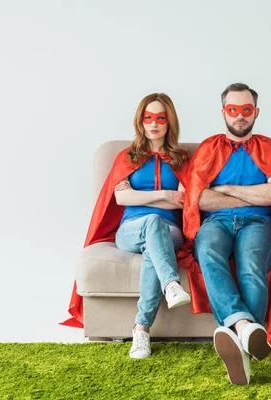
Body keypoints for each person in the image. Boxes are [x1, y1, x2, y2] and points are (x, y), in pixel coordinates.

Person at [178, 83, 271, 385]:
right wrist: (254, 195)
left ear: (256, 112)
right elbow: (200, 199)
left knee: (252, 266)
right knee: (207, 252)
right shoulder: (209, 148)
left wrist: (228, 189)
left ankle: (239, 339)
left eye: (246, 110)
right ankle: (245, 328)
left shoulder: (269, 148)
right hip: (214, 223)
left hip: (257, 223)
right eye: (233, 110)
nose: (240, 116)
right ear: (223, 113)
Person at [61, 93, 191, 359]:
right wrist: (163, 195)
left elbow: (182, 202)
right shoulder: (128, 157)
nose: (153, 124)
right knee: (153, 223)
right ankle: (171, 284)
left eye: (160, 118)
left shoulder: (181, 159)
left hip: (170, 232)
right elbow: (122, 198)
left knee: (153, 251)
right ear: (140, 121)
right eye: (148, 118)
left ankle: (141, 330)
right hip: (130, 229)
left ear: (169, 122)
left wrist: (145, 196)